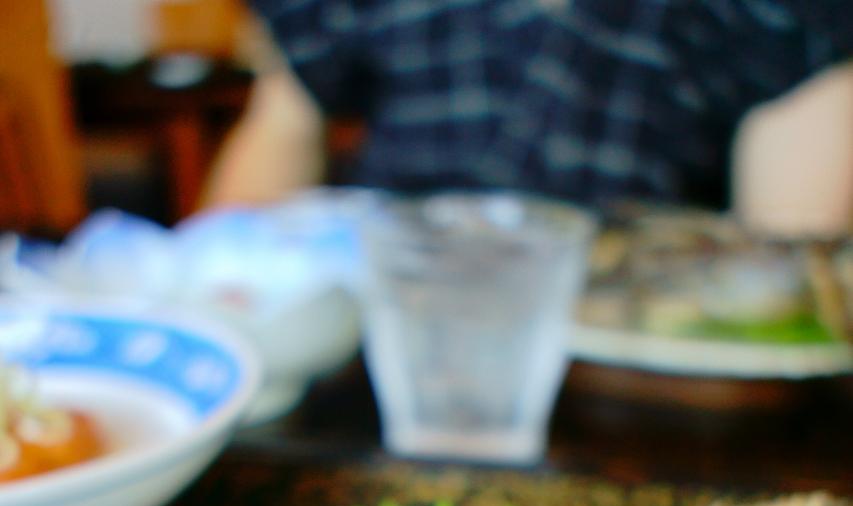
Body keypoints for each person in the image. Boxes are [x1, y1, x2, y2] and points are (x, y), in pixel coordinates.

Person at [204, 1, 853, 237]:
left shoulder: (790, 15)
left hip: (648, 367)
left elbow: (795, 263)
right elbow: (278, 136)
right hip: (396, 333)